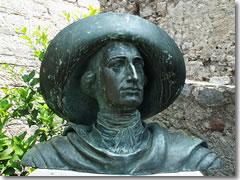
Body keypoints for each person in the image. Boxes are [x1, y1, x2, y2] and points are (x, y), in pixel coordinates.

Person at [21, 13, 223, 175]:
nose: (133, 76)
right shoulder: (53, 156)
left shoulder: (188, 155)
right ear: (91, 83)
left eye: (138, 65)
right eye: (117, 65)